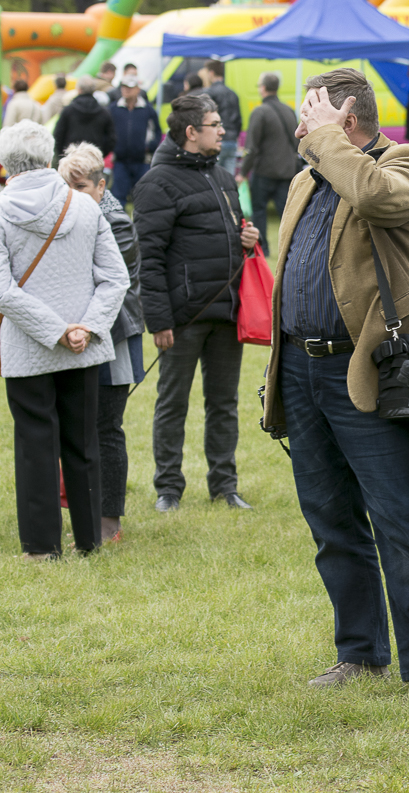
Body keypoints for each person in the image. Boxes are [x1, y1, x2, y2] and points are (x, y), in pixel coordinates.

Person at [258, 69, 409, 693]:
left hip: (369, 370)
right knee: (331, 522)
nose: (300, 125)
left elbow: (375, 198)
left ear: (346, 120)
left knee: (400, 522)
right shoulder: (306, 177)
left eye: (312, 114)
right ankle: (360, 652)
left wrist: (328, 141)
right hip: (300, 368)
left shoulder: (406, 163)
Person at [0, 121, 128, 560]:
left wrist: (58, 331)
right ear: (49, 155)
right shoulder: (86, 206)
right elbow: (116, 278)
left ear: (5, 163)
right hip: (82, 345)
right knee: (83, 441)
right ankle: (90, 539)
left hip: (28, 345)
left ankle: (41, 548)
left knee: (34, 445)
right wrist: (84, 327)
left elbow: (3, 291)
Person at [131, 94, 259, 513]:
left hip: (227, 311)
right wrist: (159, 320)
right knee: (173, 403)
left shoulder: (223, 177)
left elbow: (229, 231)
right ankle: (168, 488)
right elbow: (148, 259)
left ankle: (225, 485)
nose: (223, 131)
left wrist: (246, 237)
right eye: (215, 124)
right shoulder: (156, 183)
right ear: (191, 132)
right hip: (183, 318)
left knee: (224, 404)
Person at [58, 142, 145, 544]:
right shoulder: (68, 216)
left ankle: (109, 520)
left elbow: (103, 282)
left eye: (79, 186)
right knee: (77, 426)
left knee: (106, 427)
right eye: (66, 186)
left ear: (101, 185)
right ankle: (81, 512)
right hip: (77, 334)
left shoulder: (116, 221)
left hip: (115, 335)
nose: (72, 194)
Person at [237, 71, 299, 256]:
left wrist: (243, 172)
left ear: (263, 88)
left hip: (264, 171)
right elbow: (297, 142)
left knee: (259, 211)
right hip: (286, 171)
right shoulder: (289, 110)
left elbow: (251, 147)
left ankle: (262, 250)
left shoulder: (260, 111)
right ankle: (294, 249)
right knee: (287, 215)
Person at [108, 74, 162, 207]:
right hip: (120, 160)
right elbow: (107, 131)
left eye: (130, 87)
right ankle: (119, 220)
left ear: (138, 89)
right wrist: (113, 148)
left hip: (142, 160)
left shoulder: (147, 109)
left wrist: (149, 147)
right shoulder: (113, 109)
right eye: (124, 87)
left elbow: (157, 131)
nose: (126, 90)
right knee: (118, 198)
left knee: (143, 197)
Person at [52, 78, 115, 161]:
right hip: (94, 158)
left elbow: (58, 134)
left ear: (79, 89)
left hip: (72, 158)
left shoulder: (68, 110)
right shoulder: (104, 112)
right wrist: (101, 153)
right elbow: (111, 138)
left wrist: (64, 154)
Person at [201, 60, 242, 176]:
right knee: (229, 179)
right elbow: (239, 120)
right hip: (231, 141)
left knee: (214, 178)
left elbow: (206, 118)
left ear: (211, 73)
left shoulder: (209, 93)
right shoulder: (233, 93)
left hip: (216, 140)